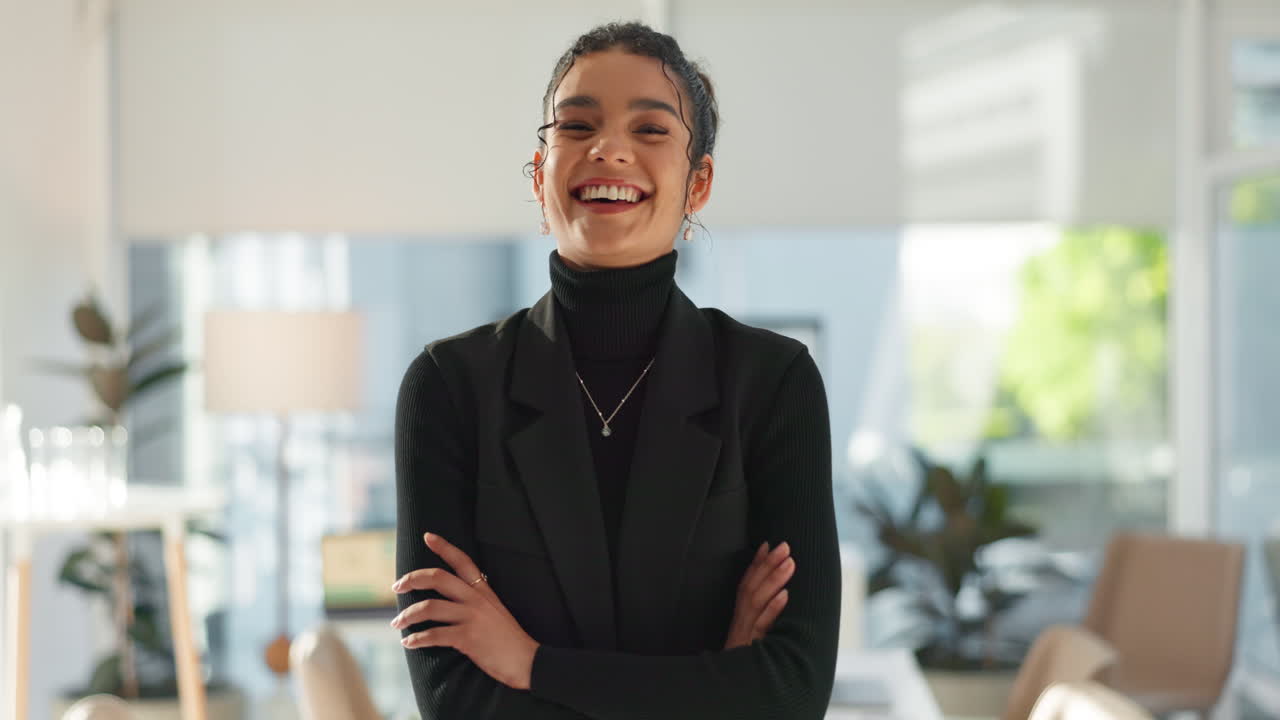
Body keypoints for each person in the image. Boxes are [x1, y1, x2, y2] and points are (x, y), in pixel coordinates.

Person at [391, 21, 840, 719]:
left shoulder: (773, 384)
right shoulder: (449, 388)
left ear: (699, 184)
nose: (609, 149)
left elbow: (793, 693)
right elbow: (455, 701)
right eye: (576, 126)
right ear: (541, 174)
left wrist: (530, 663)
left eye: (652, 130)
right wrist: (718, 676)